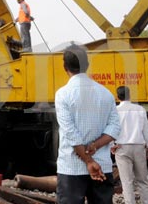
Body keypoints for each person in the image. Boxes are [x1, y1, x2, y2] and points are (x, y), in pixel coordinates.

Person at [54, 45, 120, 204]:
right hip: (102, 166)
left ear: (65, 67)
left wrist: (88, 161)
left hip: (71, 167)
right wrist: (95, 146)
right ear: (87, 65)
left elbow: (70, 132)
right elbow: (115, 128)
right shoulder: (106, 93)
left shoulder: (63, 94)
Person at [113, 86, 148, 204]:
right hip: (139, 146)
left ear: (117, 97)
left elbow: (112, 129)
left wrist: (111, 144)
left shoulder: (115, 111)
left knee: (126, 182)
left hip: (122, 147)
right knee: (143, 180)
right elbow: (146, 130)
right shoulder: (140, 109)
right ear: (130, 95)